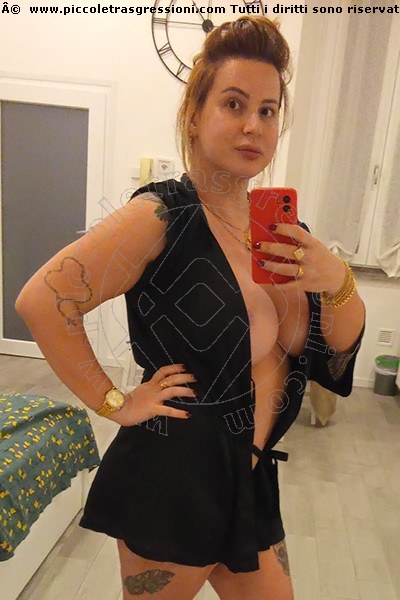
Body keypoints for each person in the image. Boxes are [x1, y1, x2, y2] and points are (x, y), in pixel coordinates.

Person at [15, 16, 366, 600]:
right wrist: (114, 401)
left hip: (250, 478)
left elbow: (337, 349)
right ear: (195, 114)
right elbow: (43, 301)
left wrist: (337, 278)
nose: (253, 124)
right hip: (173, 482)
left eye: (268, 110)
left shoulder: (279, 230)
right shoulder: (161, 216)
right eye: (234, 104)